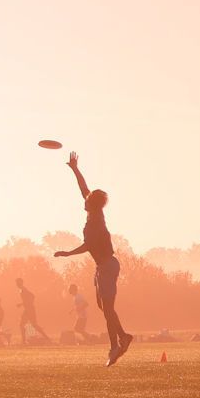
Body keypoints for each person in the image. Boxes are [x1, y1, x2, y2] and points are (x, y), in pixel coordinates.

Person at [52, 152, 133, 365]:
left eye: (87, 201)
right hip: (102, 267)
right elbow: (83, 188)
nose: (84, 201)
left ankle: (115, 346)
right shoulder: (93, 212)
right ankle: (123, 337)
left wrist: (67, 253)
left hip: (107, 266)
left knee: (107, 309)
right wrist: (75, 169)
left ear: (93, 205)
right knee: (103, 306)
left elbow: (88, 246)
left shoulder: (95, 221)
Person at [16, 278, 46, 343]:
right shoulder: (21, 290)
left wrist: (27, 304)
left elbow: (32, 296)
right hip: (27, 309)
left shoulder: (24, 289)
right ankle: (23, 341)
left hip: (30, 309)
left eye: (18, 283)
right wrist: (22, 304)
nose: (17, 284)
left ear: (21, 282)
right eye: (16, 283)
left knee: (33, 325)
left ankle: (46, 338)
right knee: (22, 324)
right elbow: (27, 299)